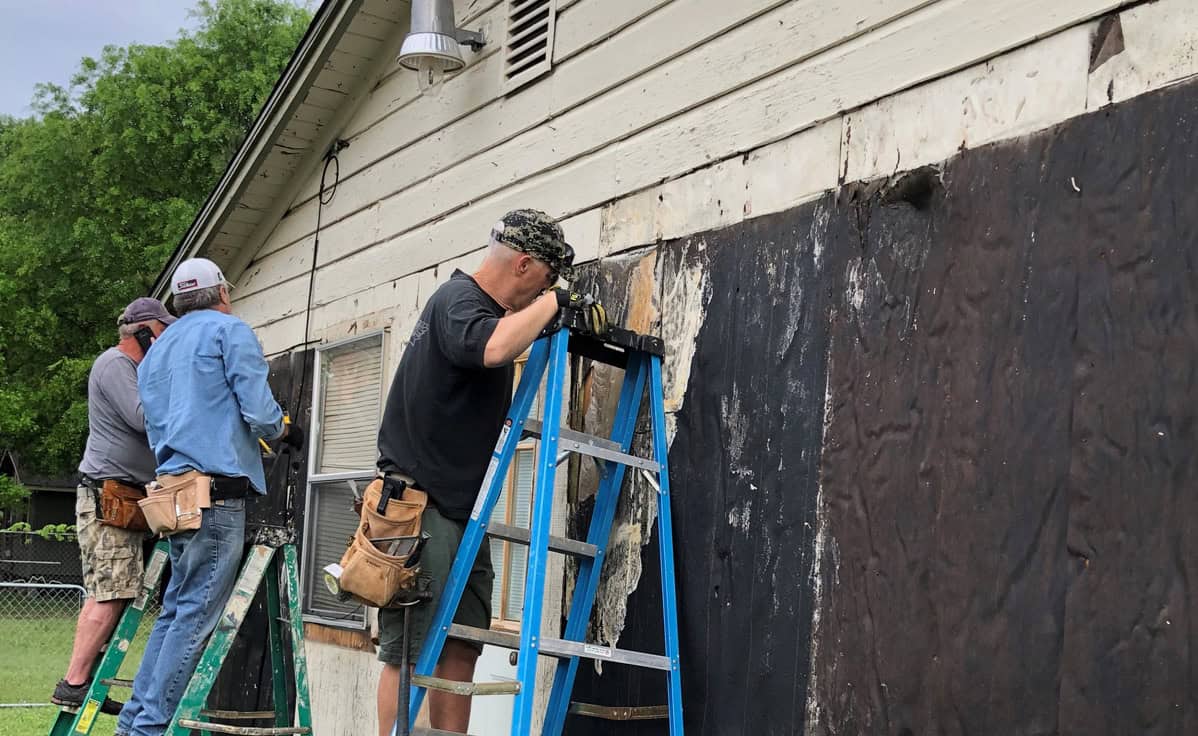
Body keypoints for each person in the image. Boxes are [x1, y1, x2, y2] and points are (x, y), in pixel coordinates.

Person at [374, 209, 606, 735]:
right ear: (524, 264)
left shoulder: (481, 314)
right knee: (408, 647)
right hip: (419, 507)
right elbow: (496, 345)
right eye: (545, 280)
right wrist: (557, 303)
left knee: (462, 643)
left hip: (461, 512)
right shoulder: (460, 302)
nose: (543, 293)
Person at [116, 258, 303, 736]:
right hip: (216, 497)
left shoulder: (158, 351)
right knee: (196, 616)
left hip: (173, 494)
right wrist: (283, 429)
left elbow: (162, 422)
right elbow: (259, 412)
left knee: (176, 611)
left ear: (178, 303)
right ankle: (150, 729)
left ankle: (134, 721)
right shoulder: (228, 331)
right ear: (222, 293)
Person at [50, 298, 175, 712]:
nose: (164, 340)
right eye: (160, 332)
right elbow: (143, 418)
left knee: (114, 590)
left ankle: (85, 675)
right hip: (107, 496)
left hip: (125, 497)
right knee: (110, 591)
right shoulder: (114, 365)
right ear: (141, 331)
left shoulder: (137, 370)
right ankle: (73, 683)